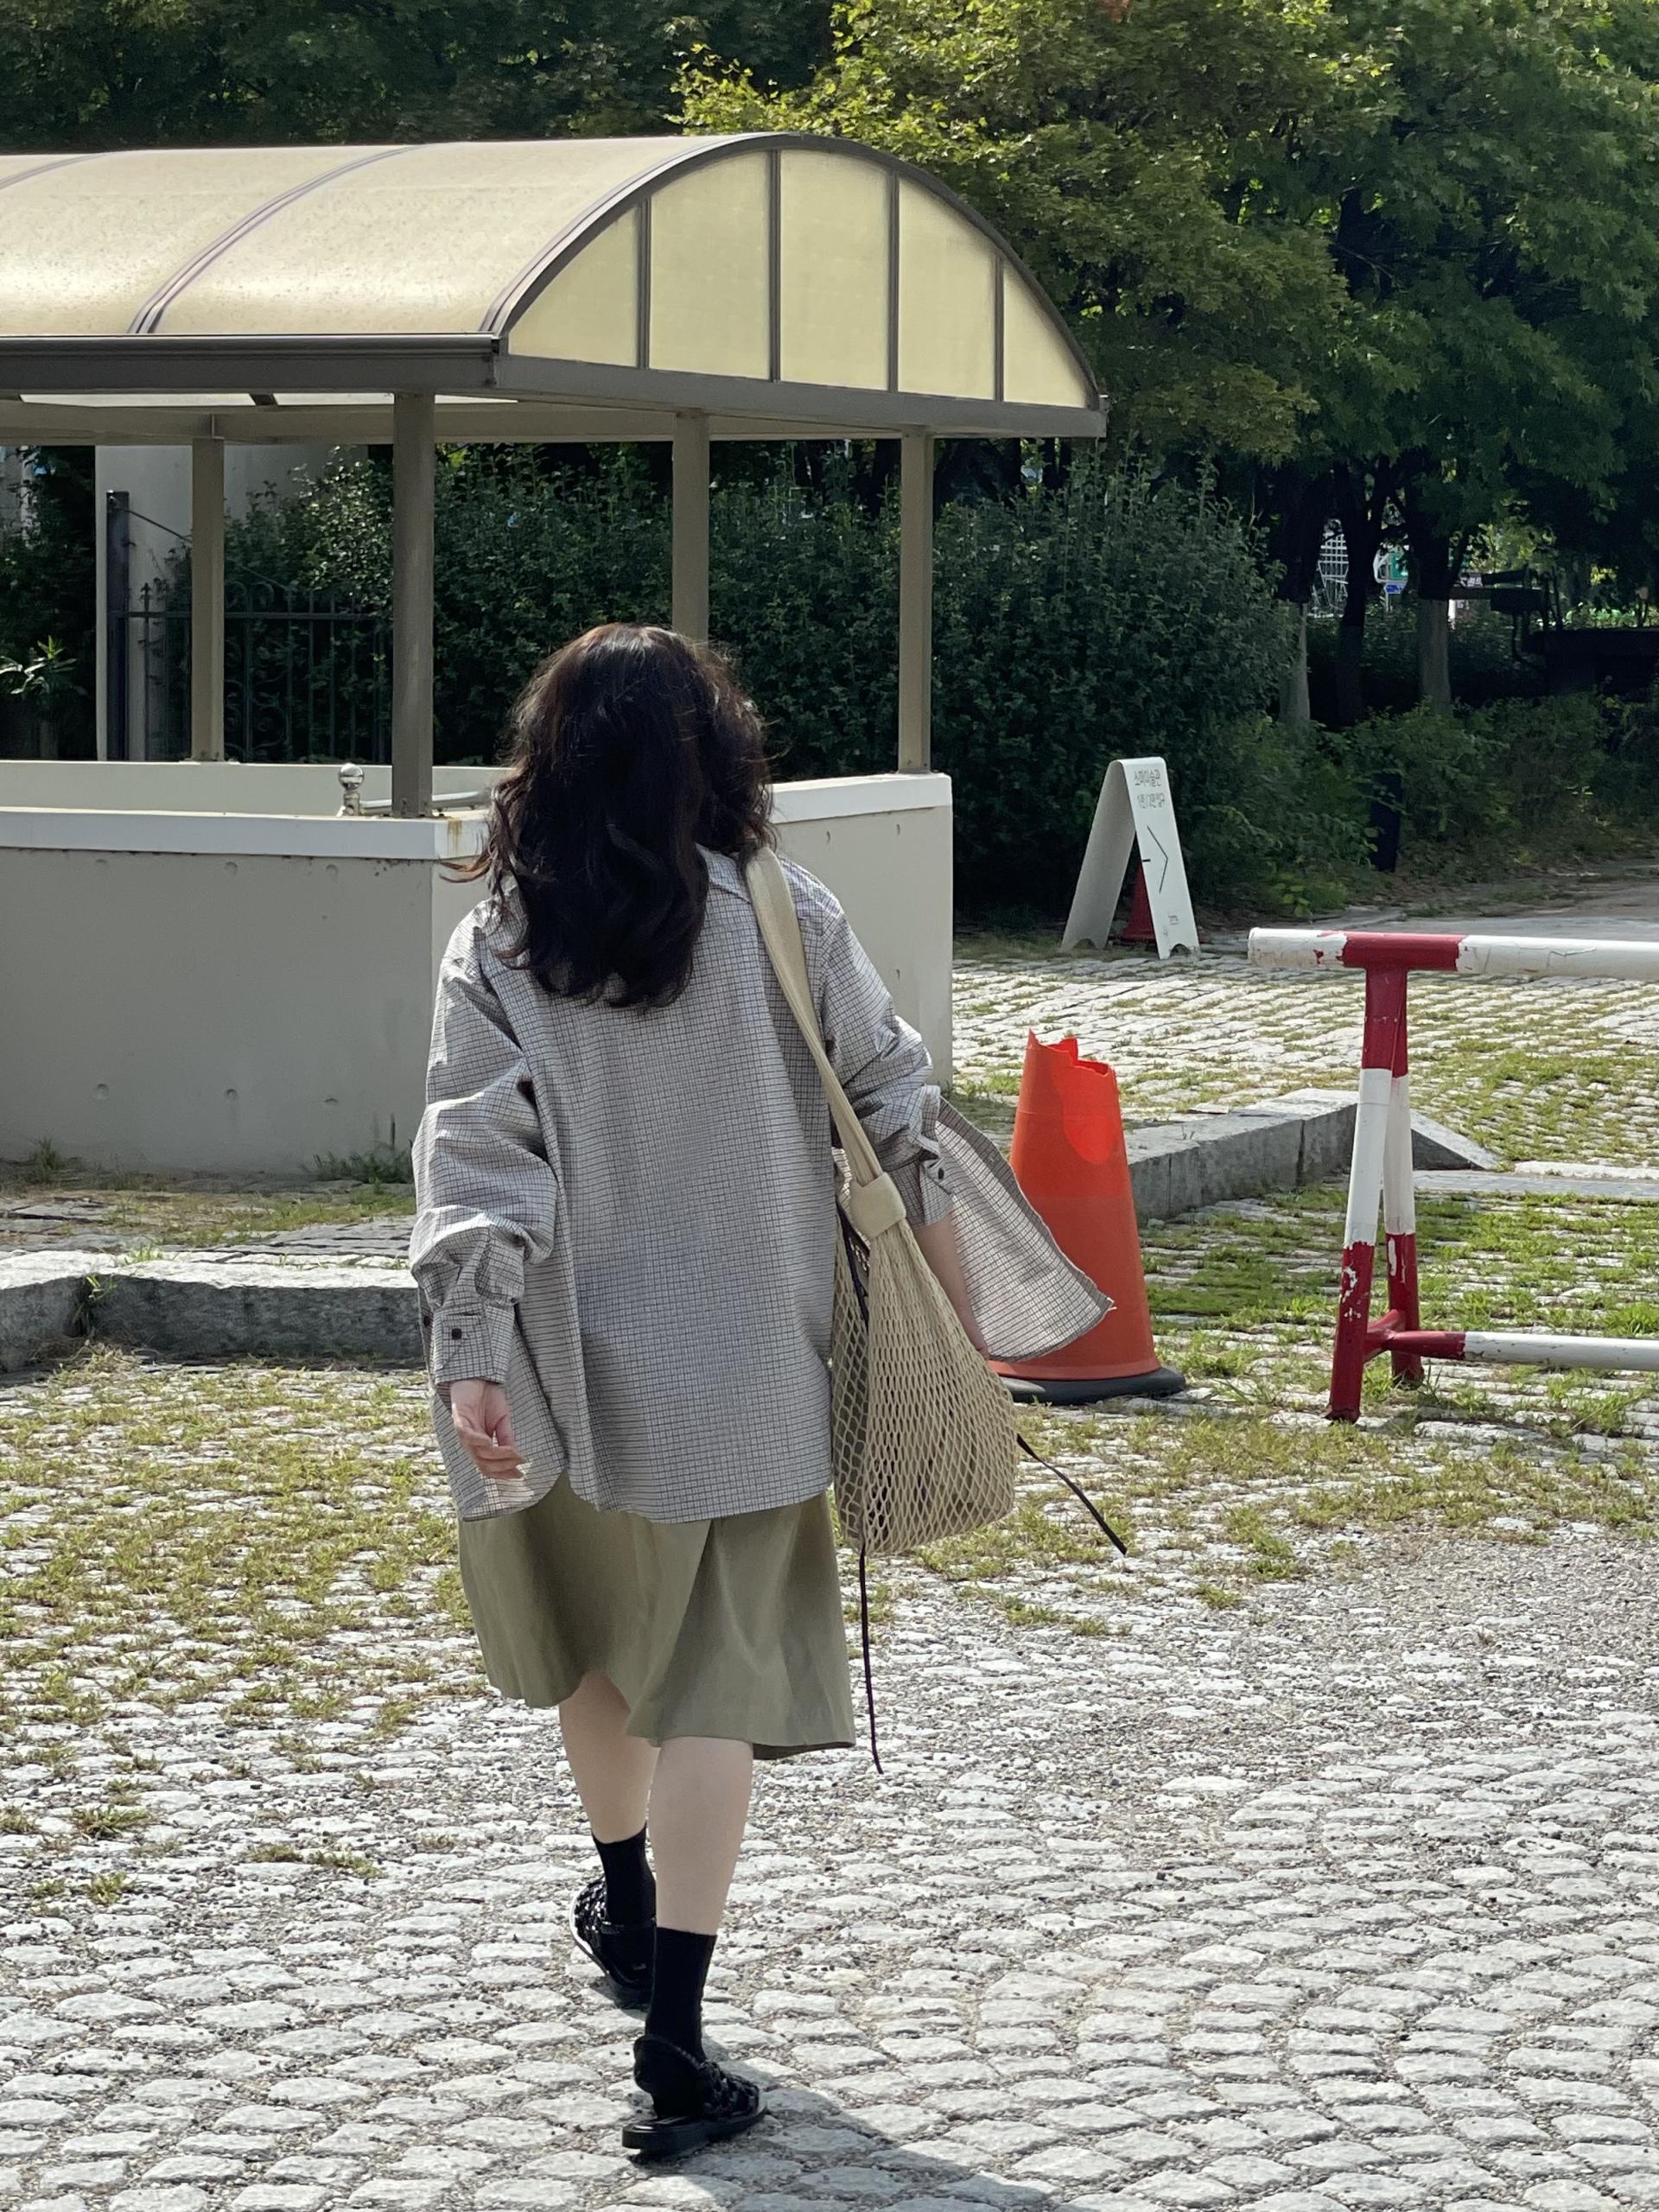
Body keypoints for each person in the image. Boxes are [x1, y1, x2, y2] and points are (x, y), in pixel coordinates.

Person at [410, 623, 1105, 2160]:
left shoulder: (504, 940)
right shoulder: (785, 910)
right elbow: (902, 1115)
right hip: (752, 1376)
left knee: (600, 1648)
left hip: (565, 1368)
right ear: (714, 753)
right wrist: (961, 1317)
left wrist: (472, 1353)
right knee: (713, 1694)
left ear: (547, 763)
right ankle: (674, 2035)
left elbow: (474, 1159)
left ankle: (624, 1898)